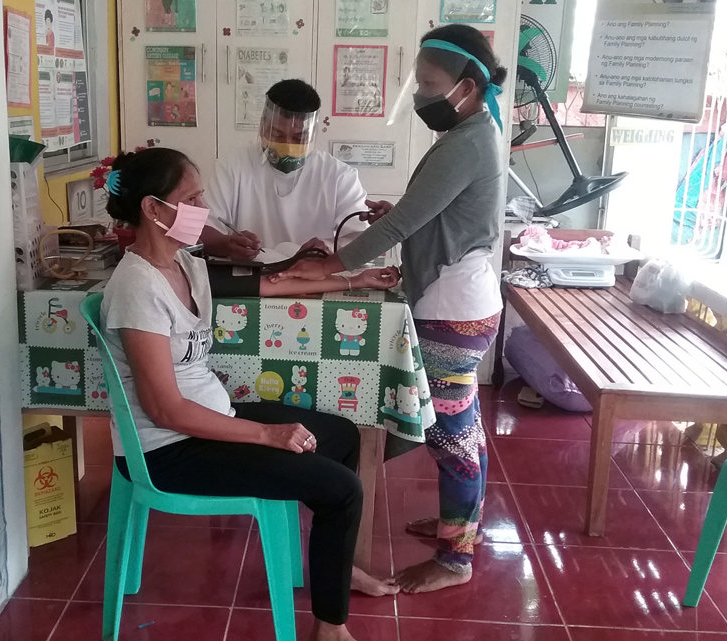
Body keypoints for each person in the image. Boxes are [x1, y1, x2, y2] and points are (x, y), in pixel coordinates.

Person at [101, 147, 398, 641]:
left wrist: (355, 278)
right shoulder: (137, 288)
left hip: (208, 420)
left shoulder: (187, 264)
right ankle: (331, 625)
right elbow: (164, 408)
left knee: (343, 435)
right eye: (192, 198)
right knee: (341, 490)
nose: (203, 208)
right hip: (168, 449)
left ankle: (334, 569)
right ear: (154, 209)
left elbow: (269, 284)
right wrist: (264, 434)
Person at [270, 24, 508, 593]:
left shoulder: (470, 140)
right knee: (460, 425)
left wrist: (333, 266)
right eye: (419, 83)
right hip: (456, 298)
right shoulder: (470, 133)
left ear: (468, 86)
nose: (422, 95)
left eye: (430, 84)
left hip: (455, 308)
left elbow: (407, 225)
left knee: (451, 432)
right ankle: (460, 525)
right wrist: (391, 212)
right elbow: (428, 212)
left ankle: (456, 558)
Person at [201, 79, 368, 261]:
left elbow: (362, 238)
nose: (287, 146)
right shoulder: (232, 166)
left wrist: (327, 246)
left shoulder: (339, 176)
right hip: (251, 277)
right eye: (277, 135)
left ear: (313, 133)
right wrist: (227, 244)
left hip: (313, 276)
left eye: (299, 138)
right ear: (263, 125)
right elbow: (203, 226)